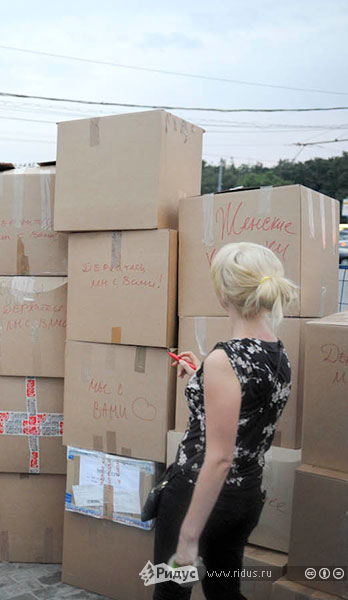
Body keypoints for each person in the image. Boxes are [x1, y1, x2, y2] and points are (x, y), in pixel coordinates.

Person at [153, 242, 298, 600]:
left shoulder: (225, 361)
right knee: (223, 590)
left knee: (169, 592)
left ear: (223, 295)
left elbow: (219, 458)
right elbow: (247, 406)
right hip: (244, 498)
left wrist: (188, 539)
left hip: (197, 495)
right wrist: (201, 376)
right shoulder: (276, 351)